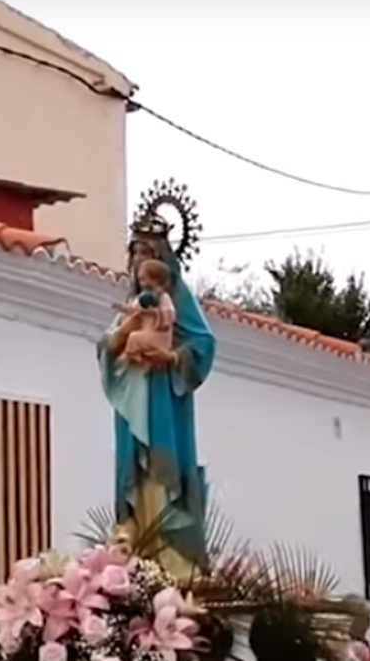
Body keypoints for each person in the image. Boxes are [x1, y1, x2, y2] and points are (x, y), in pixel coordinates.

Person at [99, 225, 216, 579]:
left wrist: (172, 358)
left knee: (163, 476)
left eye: (145, 253)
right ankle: (137, 550)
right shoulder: (133, 304)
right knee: (134, 473)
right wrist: (122, 334)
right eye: (133, 253)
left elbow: (203, 342)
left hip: (163, 400)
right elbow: (107, 345)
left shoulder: (176, 299)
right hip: (130, 404)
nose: (137, 261)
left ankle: (173, 560)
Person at [117, 258, 177, 367]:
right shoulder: (143, 297)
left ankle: (131, 354)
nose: (142, 283)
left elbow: (170, 314)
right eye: (140, 280)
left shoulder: (163, 297)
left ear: (155, 280)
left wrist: (154, 312)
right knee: (134, 336)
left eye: (144, 279)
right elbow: (135, 308)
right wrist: (125, 308)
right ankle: (135, 355)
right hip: (147, 331)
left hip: (159, 336)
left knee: (135, 337)